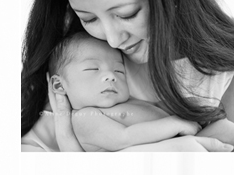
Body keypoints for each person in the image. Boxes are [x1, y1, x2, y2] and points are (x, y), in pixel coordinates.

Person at [21, 0, 234, 151]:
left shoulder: (221, 71)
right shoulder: (73, 64)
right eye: (89, 18)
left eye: (127, 14)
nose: (113, 41)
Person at [47, 33, 214, 151]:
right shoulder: (83, 118)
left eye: (119, 71)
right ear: (59, 86)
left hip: (190, 130)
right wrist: (176, 123)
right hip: (178, 137)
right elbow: (123, 137)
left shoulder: (128, 101)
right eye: (93, 68)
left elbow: (155, 108)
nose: (110, 76)